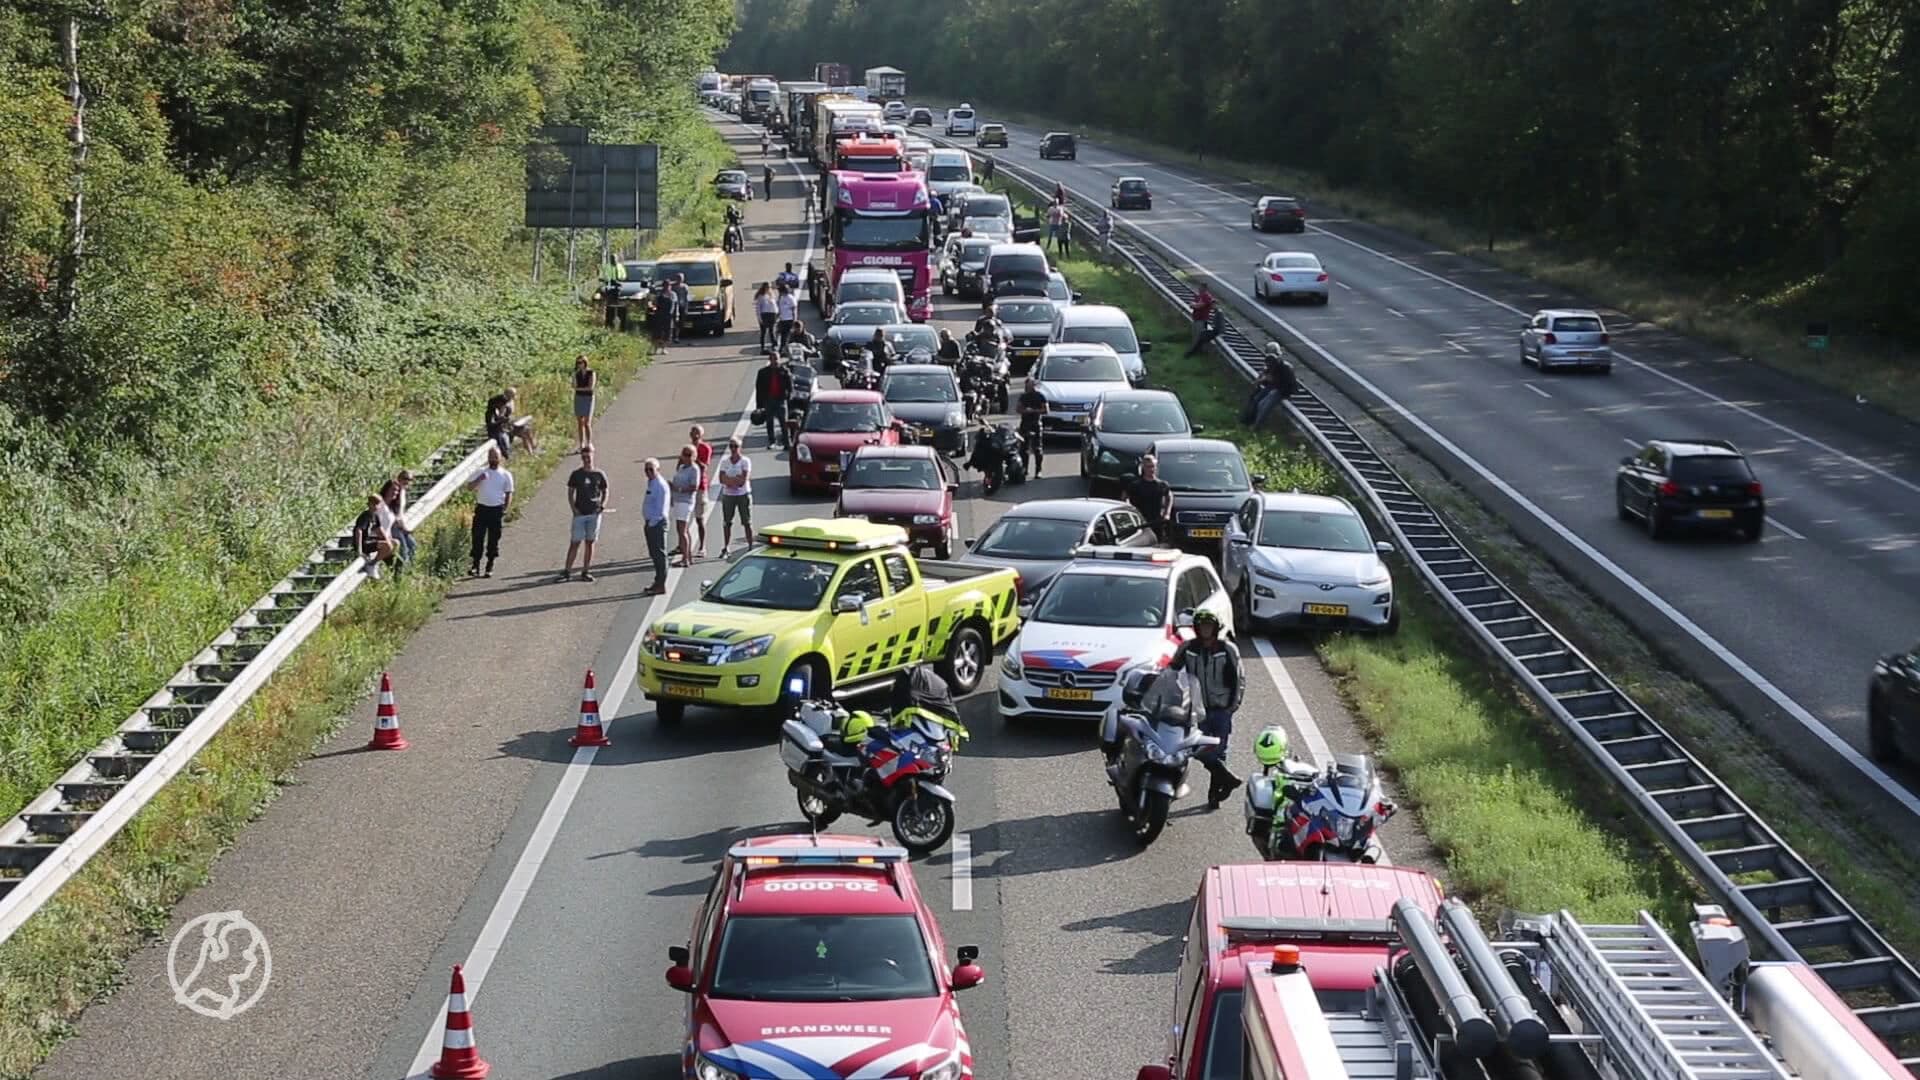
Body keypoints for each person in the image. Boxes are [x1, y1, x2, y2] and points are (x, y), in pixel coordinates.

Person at [1169, 607, 1245, 808]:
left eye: (1209, 626)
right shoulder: (1187, 647)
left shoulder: (1228, 649)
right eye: (1202, 626)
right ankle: (1227, 778)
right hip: (1196, 709)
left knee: (1219, 751)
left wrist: (1232, 706)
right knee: (1194, 747)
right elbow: (1170, 671)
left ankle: (1215, 794)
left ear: (1216, 627)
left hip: (1221, 709)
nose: (1205, 629)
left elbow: (1239, 679)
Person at [558, 446, 610, 582]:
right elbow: (570, 492)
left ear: (593, 456)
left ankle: (586, 571)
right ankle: (567, 571)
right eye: (584, 457)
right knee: (575, 542)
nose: (586, 460)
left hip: (594, 513)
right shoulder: (576, 474)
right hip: (580, 514)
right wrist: (573, 509)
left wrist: (603, 505)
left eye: (588, 457)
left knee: (590, 542)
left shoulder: (599, 474)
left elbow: (605, 491)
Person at [466, 445, 513, 578]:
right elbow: (469, 487)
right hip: (482, 508)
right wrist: (479, 479)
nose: (493, 459)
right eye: (491, 457)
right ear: (488, 458)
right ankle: (475, 565)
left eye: (495, 457)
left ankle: (490, 564)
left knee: (494, 539)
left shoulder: (505, 474)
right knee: (477, 537)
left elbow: (509, 492)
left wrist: (505, 508)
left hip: (496, 509)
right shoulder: (481, 472)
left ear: (500, 458)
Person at [714, 436, 754, 556]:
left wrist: (730, 480)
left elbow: (743, 479)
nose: (733, 449)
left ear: (740, 447)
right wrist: (733, 480)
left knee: (747, 521)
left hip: (743, 495)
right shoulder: (725, 462)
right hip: (728, 495)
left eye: (735, 446)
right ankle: (726, 547)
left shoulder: (745, 461)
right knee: (727, 522)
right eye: (731, 446)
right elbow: (721, 479)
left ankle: (750, 546)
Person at [1247, 342, 1298, 427]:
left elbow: (1285, 383)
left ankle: (1256, 426)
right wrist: (1262, 379)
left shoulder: (1284, 366)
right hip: (1275, 387)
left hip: (1282, 390)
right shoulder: (1272, 365)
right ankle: (1249, 420)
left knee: (1265, 404)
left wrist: (1270, 380)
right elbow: (1266, 378)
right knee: (1258, 400)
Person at [1127, 454, 1173, 540]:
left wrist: (1167, 513)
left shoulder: (1162, 485)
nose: (1151, 469)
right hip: (1139, 522)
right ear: (1143, 467)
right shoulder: (1135, 485)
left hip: (1157, 522)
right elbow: (1125, 498)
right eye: (1148, 467)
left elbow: (1169, 496)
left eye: (1153, 466)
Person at [641, 457, 670, 596]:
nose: (648, 472)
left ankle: (661, 584)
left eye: (651, 469)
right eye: (646, 469)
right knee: (654, 554)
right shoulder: (652, 482)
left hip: (657, 524)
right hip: (651, 523)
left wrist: (651, 524)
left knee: (659, 555)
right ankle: (657, 582)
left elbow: (660, 510)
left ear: (658, 470)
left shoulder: (660, 485)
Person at [669, 445, 700, 568]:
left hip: (685, 501)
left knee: (682, 531)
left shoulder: (694, 469)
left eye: (689, 455)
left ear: (694, 456)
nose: (686, 457)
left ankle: (685, 558)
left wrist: (678, 489)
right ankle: (688, 556)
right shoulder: (682, 467)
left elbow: (694, 487)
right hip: (678, 500)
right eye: (685, 454)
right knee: (682, 530)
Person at [353, 494, 396, 579]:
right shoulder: (365, 516)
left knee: (394, 542)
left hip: (369, 540)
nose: (377, 506)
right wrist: (359, 550)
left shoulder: (375, 516)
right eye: (375, 504)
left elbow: (379, 529)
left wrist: (387, 540)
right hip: (364, 543)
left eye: (379, 504)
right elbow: (359, 531)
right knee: (387, 546)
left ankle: (386, 562)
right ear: (370, 504)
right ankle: (372, 564)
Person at [755, 350, 790, 448]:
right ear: (769, 360)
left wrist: (787, 397)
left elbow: (790, 386)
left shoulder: (784, 371)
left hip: (781, 400)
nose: (775, 361)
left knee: (783, 422)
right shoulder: (763, 372)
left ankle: (786, 443)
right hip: (768, 400)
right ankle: (772, 441)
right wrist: (759, 405)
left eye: (777, 359)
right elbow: (759, 389)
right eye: (773, 359)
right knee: (769, 421)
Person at [381, 471, 416, 565]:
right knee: (403, 548)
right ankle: (403, 569)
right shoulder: (395, 491)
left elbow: (401, 512)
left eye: (409, 480)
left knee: (412, 545)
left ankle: (410, 568)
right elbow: (391, 510)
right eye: (405, 479)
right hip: (394, 525)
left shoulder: (403, 492)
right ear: (399, 478)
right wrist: (402, 525)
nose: (407, 482)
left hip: (400, 524)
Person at [688, 424, 713, 558]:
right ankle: (683, 545)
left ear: (701, 434)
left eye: (696, 432)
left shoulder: (705, 448)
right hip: (688, 485)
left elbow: (704, 467)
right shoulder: (688, 448)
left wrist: (694, 457)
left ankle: (702, 546)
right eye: (692, 432)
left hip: (700, 487)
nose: (694, 435)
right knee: (684, 518)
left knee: (699, 518)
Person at [1016, 376, 1047, 477]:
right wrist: (1025, 411)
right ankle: (1024, 468)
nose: (1029, 387)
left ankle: (1039, 470)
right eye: (1027, 385)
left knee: (1037, 448)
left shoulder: (1040, 396)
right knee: (1023, 449)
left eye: (1031, 385)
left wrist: (1033, 411)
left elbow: (1046, 410)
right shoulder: (1023, 397)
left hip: (1036, 423)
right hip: (1025, 424)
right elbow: (1018, 409)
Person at [1185, 284, 1220, 357]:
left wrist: (1195, 305)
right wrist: (1194, 305)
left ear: (1204, 288)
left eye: (1200, 287)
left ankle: (1196, 353)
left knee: (1198, 337)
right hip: (1196, 319)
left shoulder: (1206, 297)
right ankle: (1196, 352)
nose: (1198, 289)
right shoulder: (1199, 296)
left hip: (1201, 320)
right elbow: (1192, 304)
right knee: (1195, 336)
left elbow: (1198, 305)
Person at [572, 355, 597, 450]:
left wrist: (580, 388)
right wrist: (581, 388)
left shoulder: (591, 373)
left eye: (581, 362)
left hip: (588, 398)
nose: (579, 365)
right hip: (579, 397)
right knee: (580, 422)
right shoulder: (576, 373)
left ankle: (589, 442)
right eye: (578, 363)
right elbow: (574, 385)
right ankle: (581, 443)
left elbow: (591, 387)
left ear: (585, 363)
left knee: (587, 422)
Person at [754, 283, 778, 350]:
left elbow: (775, 306)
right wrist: (759, 318)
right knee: (763, 332)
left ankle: (774, 345)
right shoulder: (761, 297)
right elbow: (758, 308)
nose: (769, 288)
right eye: (767, 287)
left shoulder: (772, 295)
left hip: (772, 315)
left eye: (770, 287)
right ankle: (763, 347)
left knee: (772, 331)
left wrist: (777, 314)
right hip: (764, 315)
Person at [775, 282, 798, 348]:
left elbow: (794, 309)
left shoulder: (790, 298)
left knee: (787, 335)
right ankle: (782, 348)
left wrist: (794, 320)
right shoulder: (781, 298)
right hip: (782, 319)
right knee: (782, 335)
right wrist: (777, 317)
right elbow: (780, 309)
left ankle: (785, 348)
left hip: (789, 319)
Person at [669, 274, 690, 344]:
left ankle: (679, 334)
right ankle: (674, 336)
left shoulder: (685, 287)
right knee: (674, 321)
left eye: (681, 278)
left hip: (682, 305)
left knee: (681, 321)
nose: (679, 279)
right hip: (674, 305)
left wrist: (686, 307)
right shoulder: (672, 286)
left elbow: (687, 298)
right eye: (678, 278)